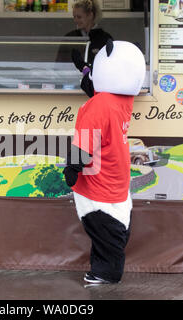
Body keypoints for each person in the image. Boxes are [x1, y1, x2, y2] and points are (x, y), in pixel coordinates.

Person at [63, 39, 146, 285]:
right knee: (111, 225)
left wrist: (73, 167)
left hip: (97, 180)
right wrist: (86, 70)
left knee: (103, 226)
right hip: (116, 176)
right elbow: (101, 91)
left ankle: (106, 272)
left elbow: (88, 138)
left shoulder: (100, 104)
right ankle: (103, 269)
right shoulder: (123, 100)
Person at [56, 0, 112, 97]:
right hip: (71, 86)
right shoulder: (70, 38)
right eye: (74, 17)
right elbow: (59, 65)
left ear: (90, 15)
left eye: (79, 17)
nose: (76, 20)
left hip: (97, 89)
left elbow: (110, 67)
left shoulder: (104, 38)